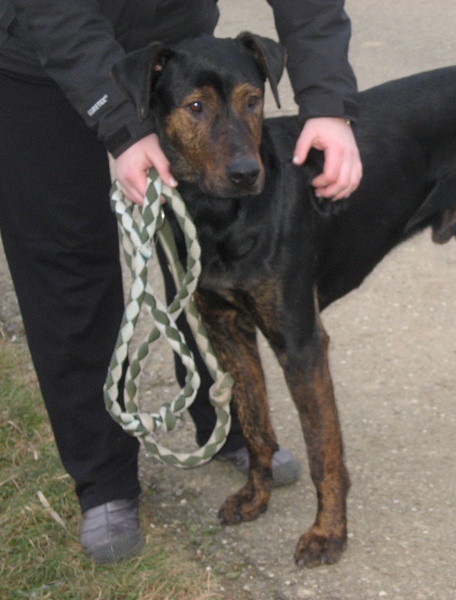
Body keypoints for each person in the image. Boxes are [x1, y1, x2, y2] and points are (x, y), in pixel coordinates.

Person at [0, 0, 362, 565]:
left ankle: (227, 424)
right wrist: (123, 123)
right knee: (65, 260)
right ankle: (105, 481)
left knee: (201, 253)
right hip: (36, 56)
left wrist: (327, 98)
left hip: (174, 42)